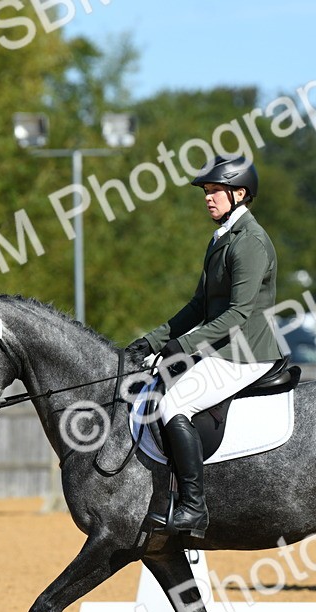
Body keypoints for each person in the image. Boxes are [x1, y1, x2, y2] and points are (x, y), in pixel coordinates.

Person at [124, 154, 283, 537]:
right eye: (207, 191)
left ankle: (194, 507)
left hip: (246, 353)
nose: (208, 198)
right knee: (155, 388)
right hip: (223, 348)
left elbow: (238, 314)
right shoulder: (222, 239)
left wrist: (182, 346)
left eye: (216, 191)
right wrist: (151, 340)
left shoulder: (250, 243)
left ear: (240, 194)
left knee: (174, 402)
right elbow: (199, 306)